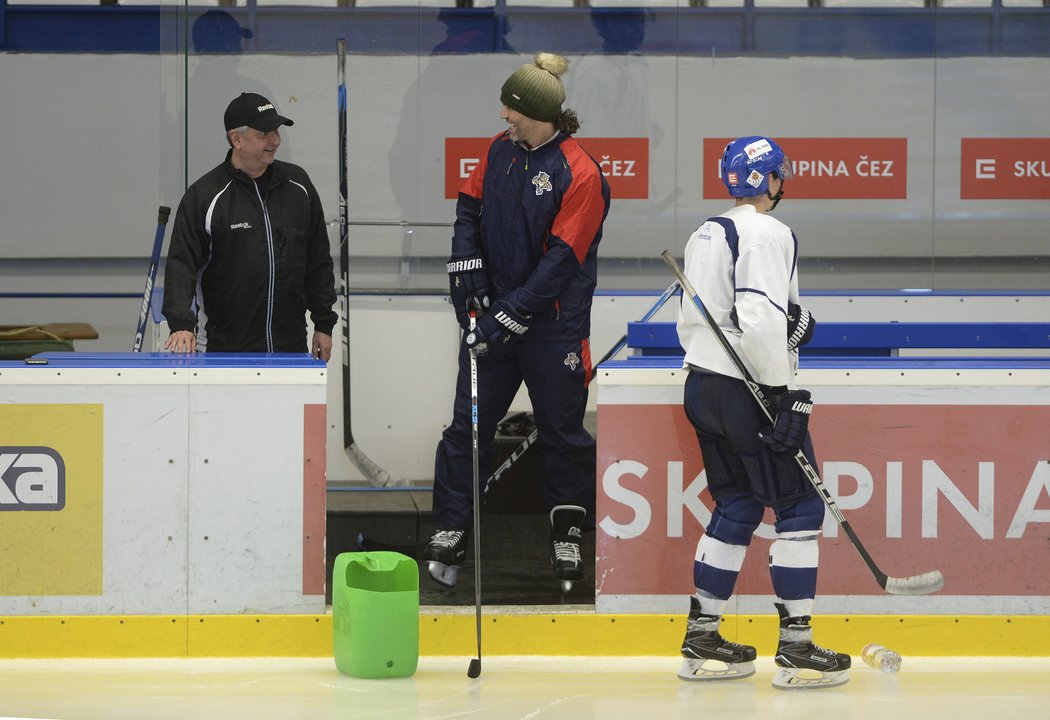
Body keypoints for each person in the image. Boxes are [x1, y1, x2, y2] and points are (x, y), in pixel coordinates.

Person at [424, 52, 611, 593]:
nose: (504, 115)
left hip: (552, 331)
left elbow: (562, 259)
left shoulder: (581, 173)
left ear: (540, 112)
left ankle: (567, 535)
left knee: (563, 436)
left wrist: (514, 312)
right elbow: (467, 213)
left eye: (513, 108)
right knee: (468, 428)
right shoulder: (498, 151)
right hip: (494, 324)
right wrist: (469, 280)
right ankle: (450, 529)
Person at [675, 136, 850, 689]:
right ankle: (796, 649)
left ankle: (701, 640)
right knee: (798, 510)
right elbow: (761, 317)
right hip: (750, 392)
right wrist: (787, 394)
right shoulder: (770, 232)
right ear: (769, 179)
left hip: (703, 387)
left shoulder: (706, 230)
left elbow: (731, 315)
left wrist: (790, 325)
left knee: (739, 503)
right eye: (780, 175)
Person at [163, 92, 337, 360]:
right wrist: (181, 324)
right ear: (236, 138)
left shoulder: (298, 185)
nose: (275, 139)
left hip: (290, 346)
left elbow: (318, 259)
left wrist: (324, 323)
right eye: (264, 133)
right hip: (224, 349)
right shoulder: (205, 195)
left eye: (276, 130)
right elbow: (181, 263)